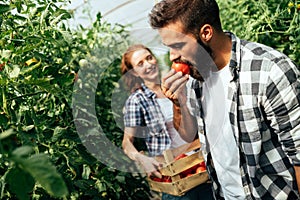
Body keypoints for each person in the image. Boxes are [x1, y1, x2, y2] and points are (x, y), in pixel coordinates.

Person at [149, 0, 300, 199]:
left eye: (178, 45)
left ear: (206, 33)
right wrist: (179, 104)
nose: (172, 57)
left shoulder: (269, 72)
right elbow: (188, 135)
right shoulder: (196, 78)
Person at [120, 44, 214, 200]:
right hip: (175, 179)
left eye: (149, 58)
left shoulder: (175, 82)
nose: (148, 64)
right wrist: (142, 159)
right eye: (140, 64)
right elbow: (126, 143)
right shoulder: (136, 100)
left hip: (201, 167)